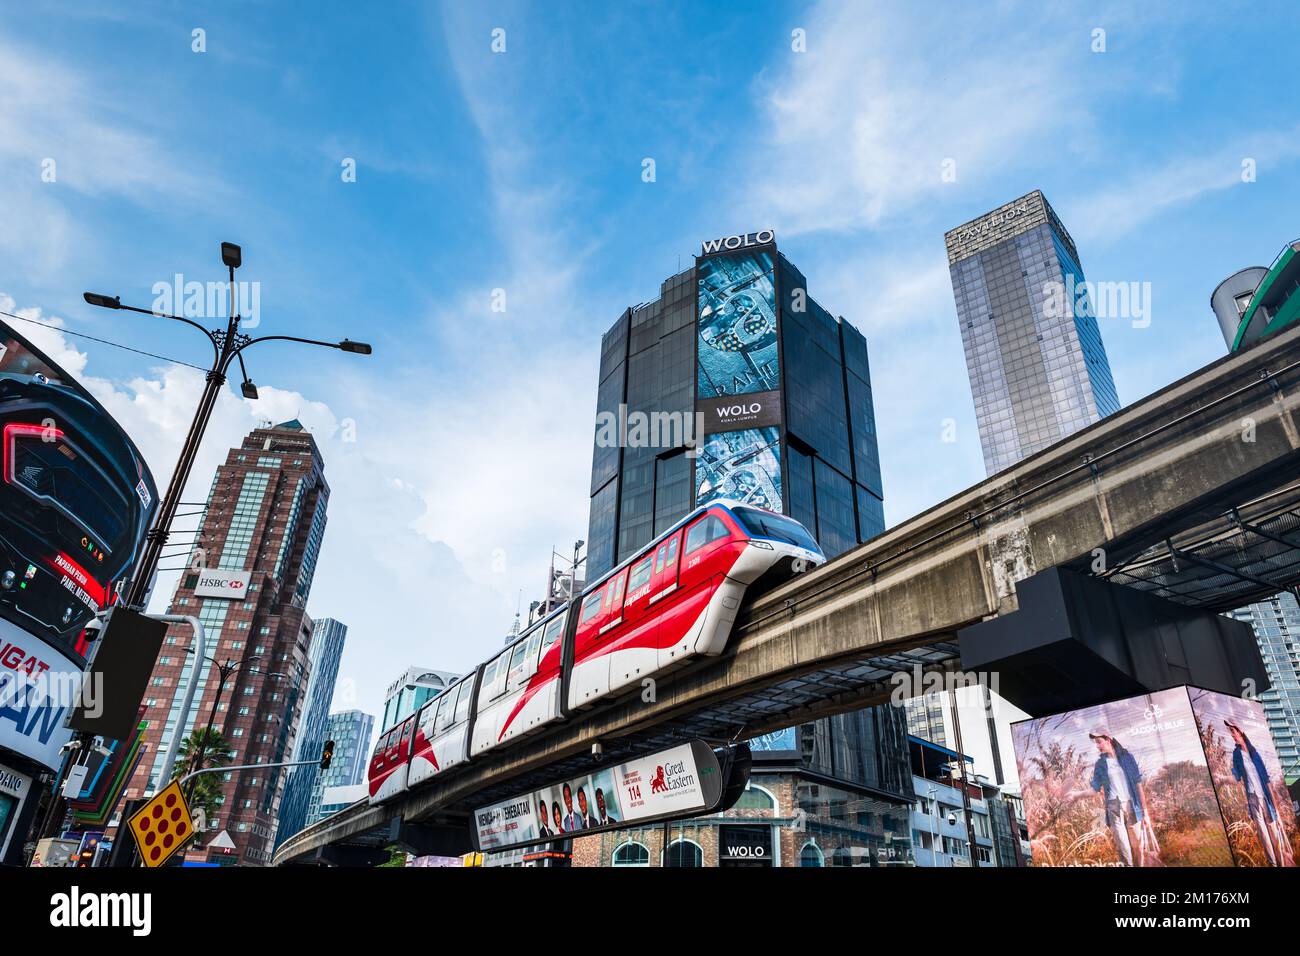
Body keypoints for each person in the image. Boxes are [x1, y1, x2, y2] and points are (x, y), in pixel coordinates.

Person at [1226, 720, 1293, 866]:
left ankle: (1281, 864)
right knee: (1264, 836)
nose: (1232, 734)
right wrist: (1222, 779)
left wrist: (1276, 808)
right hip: (1253, 799)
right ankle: (1273, 865)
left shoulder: (1254, 753)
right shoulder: (1236, 754)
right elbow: (1236, 776)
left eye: (1233, 730)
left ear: (1240, 731)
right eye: (1230, 731)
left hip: (1266, 800)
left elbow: (1267, 781)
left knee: (1275, 837)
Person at [1089, 731, 1158, 866]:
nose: (1097, 746)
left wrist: (1146, 814)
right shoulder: (1100, 764)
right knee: (1124, 850)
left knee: (1138, 847)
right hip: (1114, 808)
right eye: (1096, 743)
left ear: (1108, 739)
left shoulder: (1127, 758)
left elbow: (1138, 785)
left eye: (1099, 742)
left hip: (1133, 806)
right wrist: (1075, 794)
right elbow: (1094, 788)